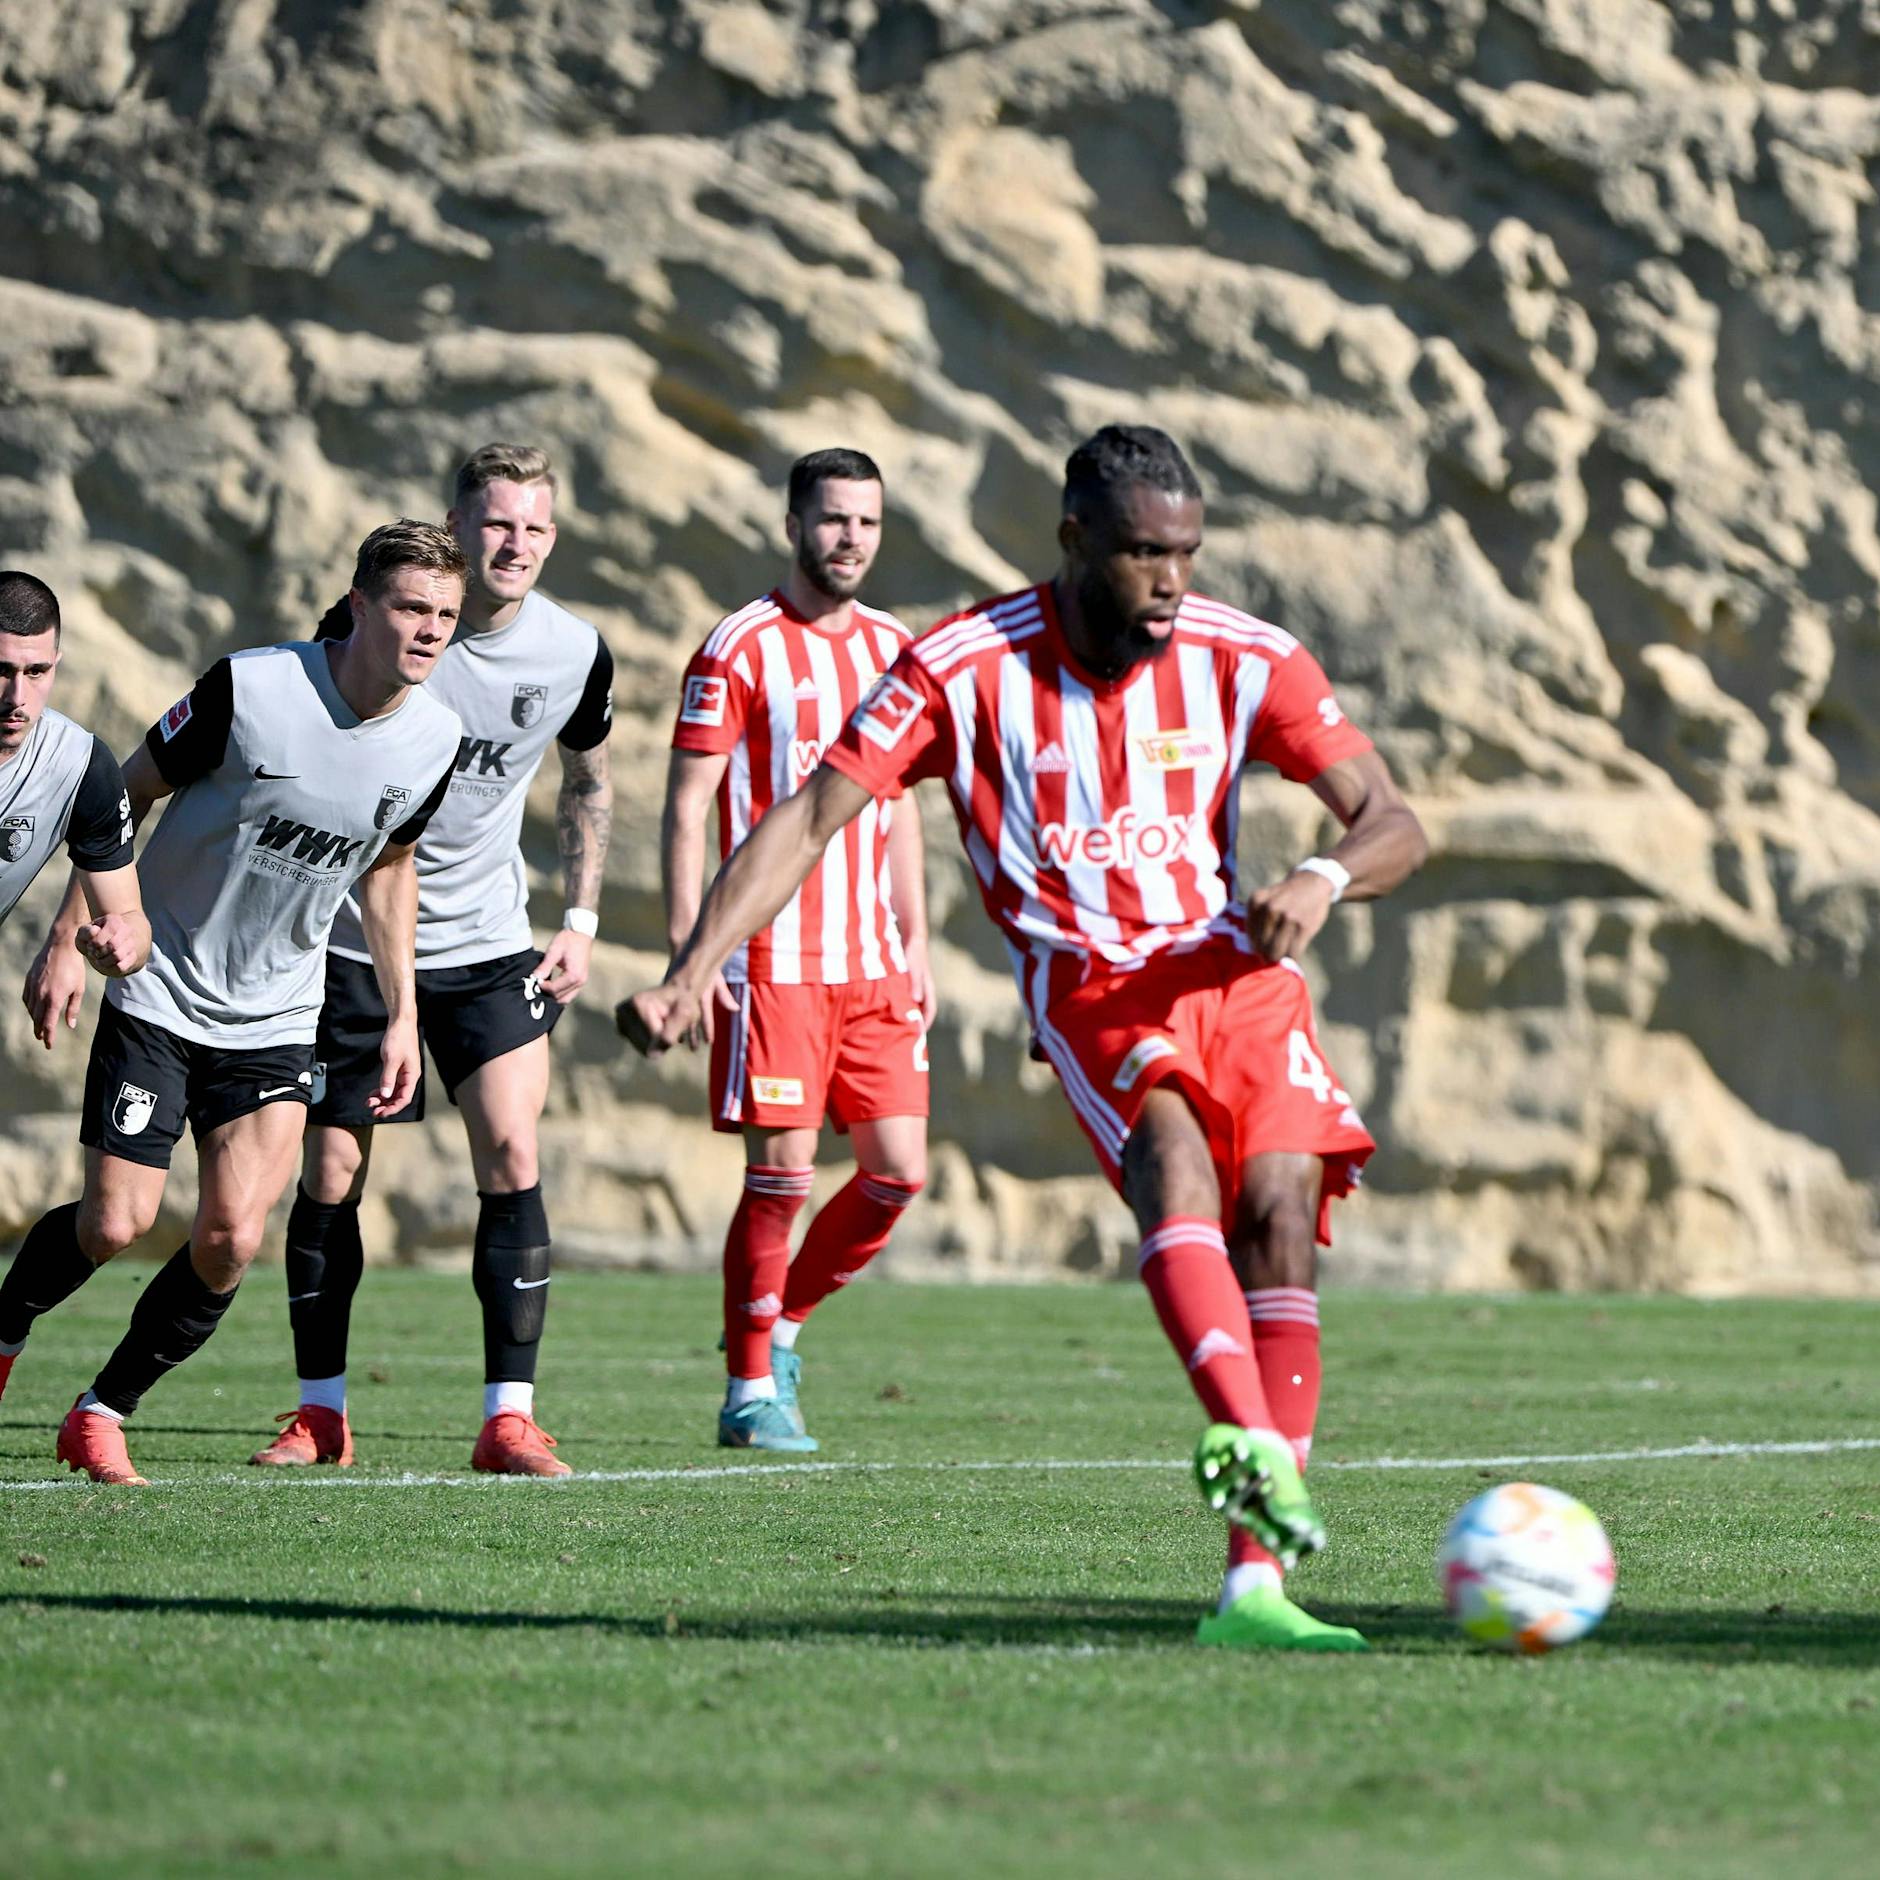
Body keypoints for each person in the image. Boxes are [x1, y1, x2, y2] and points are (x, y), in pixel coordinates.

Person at [621, 426, 1428, 1649]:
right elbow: (809, 813)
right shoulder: (961, 664)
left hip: (1237, 970)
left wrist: (1320, 874)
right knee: (1173, 1156)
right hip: (1093, 981)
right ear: (1073, 542)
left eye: (1185, 554)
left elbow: (1391, 817)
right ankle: (1247, 1431)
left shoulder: (1239, 655)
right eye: (1143, 554)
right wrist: (690, 970)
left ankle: (1255, 1587)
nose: (1168, 580)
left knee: (1278, 1202)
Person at [0, 521, 465, 1484]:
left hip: (280, 1014)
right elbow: (116, 799)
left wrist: (402, 1014)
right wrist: (67, 943)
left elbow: (391, 869)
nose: (430, 630)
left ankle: (101, 1411)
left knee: (230, 1238)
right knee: (114, 1224)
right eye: (413, 607)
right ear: (364, 602)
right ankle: (5, 1335)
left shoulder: (436, 738)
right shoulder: (253, 689)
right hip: (159, 986)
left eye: (447, 615)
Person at [250, 443, 614, 1478]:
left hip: (493, 944)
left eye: (536, 527)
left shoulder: (575, 651)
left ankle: (510, 1418)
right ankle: (320, 1410)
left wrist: (579, 918)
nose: (517, 545)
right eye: (498, 523)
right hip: (357, 945)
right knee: (331, 1169)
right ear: (456, 522)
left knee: (511, 1149)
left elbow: (586, 782)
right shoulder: (385, 626)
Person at [660, 447, 931, 1453]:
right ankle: (745, 1389)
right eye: (830, 519)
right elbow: (687, 807)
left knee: (895, 1171)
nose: (848, 537)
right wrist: (693, 959)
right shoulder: (736, 647)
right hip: (769, 962)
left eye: (864, 520)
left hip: (870, 964)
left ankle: (782, 1326)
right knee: (779, 1175)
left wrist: (916, 941)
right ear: (791, 524)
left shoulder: (898, 649)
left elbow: (896, 809)